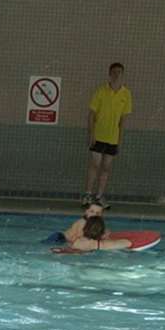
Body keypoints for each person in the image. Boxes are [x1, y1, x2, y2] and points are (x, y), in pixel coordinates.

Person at [83, 62, 132, 205]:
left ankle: (99, 196)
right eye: (114, 72)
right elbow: (91, 114)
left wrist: (119, 139)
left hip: (112, 138)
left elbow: (123, 119)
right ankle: (87, 195)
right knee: (95, 165)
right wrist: (91, 134)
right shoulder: (101, 91)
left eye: (119, 72)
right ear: (109, 74)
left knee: (106, 167)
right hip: (98, 135)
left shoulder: (126, 94)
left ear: (122, 75)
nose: (117, 75)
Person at [63, 216, 132, 251]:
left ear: (85, 228)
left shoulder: (76, 240)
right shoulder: (100, 244)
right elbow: (128, 243)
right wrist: (107, 238)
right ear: (102, 232)